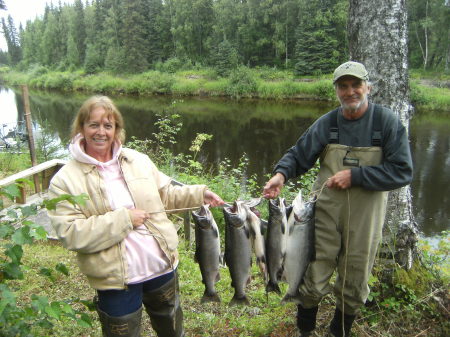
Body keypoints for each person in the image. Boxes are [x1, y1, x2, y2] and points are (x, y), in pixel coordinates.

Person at [48, 95, 224, 337]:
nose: (101, 132)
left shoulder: (137, 160)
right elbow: (70, 234)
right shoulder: (64, 180)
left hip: (161, 265)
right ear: (81, 128)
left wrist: (199, 194)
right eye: (94, 125)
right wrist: (125, 219)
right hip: (115, 280)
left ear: (117, 130)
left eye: (108, 125)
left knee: (172, 330)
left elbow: (165, 195)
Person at [263, 61, 413, 337]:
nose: (350, 92)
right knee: (314, 273)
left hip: (365, 217)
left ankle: (338, 332)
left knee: (355, 278)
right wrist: (281, 175)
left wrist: (355, 176)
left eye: (356, 85)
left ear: (368, 87)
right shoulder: (328, 123)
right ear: (336, 91)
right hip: (324, 211)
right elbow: (299, 154)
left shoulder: (386, 123)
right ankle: (304, 331)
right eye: (343, 86)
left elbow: (402, 171)